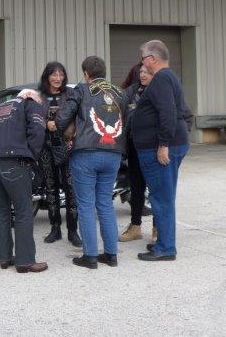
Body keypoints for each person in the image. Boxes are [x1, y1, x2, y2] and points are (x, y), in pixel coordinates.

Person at [55, 56, 127, 270]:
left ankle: (90, 256)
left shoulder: (81, 90)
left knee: (86, 205)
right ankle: (111, 255)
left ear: (86, 74)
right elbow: (127, 122)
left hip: (85, 153)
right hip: (113, 153)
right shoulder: (120, 93)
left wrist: (66, 133)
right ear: (104, 72)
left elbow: (61, 119)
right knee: (105, 203)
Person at [0, 89, 48, 273]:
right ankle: (25, 261)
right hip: (13, 161)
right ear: (30, 96)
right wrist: (31, 156)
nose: (40, 105)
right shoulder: (29, 104)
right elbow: (38, 131)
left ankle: (4, 258)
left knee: (2, 210)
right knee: (23, 210)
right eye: (39, 102)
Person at [133, 40, 191, 262]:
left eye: (143, 58)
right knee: (163, 196)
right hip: (169, 143)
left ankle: (166, 248)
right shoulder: (168, 77)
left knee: (161, 198)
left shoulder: (161, 78)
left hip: (162, 147)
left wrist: (163, 144)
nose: (142, 63)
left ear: (152, 59)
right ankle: (164, 242)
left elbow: (168, 111)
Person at [36, 61, 81, 247]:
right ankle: (55, 228)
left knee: (71, 189)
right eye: (54, 74)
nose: (58, 78)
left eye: (61, 74)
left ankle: (73, 230)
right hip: (46, 148)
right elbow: (32, 118)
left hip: (68, 147)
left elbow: (79, 116)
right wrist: (45, 123)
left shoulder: (71, 94)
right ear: (47, 77)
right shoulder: (39, 96)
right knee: (50, 188)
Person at [118, 63, 154, 243]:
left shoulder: (159, 91)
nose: (143, 75)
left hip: (153, 147)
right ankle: (135, 226)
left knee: (155, 189)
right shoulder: (130, 92)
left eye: (147, 72)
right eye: (141, 72)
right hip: (133, 146)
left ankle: (158, 228)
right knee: (136, 187)